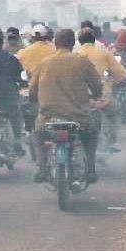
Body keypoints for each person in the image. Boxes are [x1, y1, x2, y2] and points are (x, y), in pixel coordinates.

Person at [29, 29, 103, 183]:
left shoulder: (44, 63)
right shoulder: (82, 61)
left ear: (55, 44)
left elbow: (32, 90)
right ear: (73, 43)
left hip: (48, 119)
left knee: (38, 134)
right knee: (91, 134)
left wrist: (35, 100)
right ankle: (90, 169)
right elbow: (97, 85)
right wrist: (96, 95)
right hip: (78, 119)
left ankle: (42, 168)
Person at [76, 27, 126, 153]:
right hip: (102, 98)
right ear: (94, 39)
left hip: (78, 99)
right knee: (113, 111)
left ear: (79, 40)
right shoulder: (104, 52)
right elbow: (121, 74)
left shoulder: (74, 53)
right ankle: (111, 142)